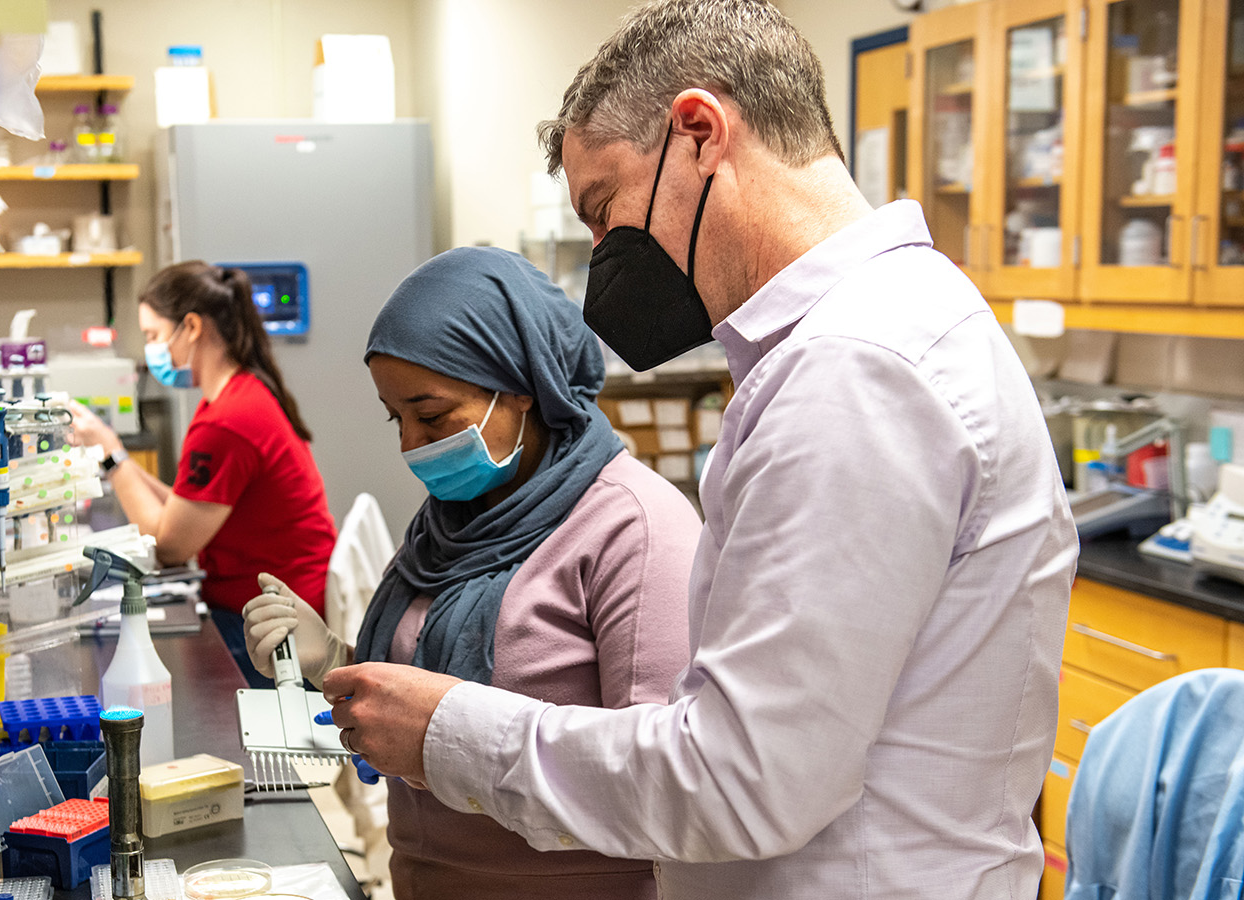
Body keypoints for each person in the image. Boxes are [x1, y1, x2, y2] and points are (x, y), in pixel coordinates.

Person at [321, 2, 1079, 898]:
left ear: (700, 132)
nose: (605, 257)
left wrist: (451, 731)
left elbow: (740, 779)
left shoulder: (855, 372)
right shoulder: (874, 331)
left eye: (605, 211)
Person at [241, 247, 701, 899]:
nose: (409, 445)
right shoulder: (453, 517)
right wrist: (333, 660)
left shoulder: (633, 525)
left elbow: (662, 780)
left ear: (523, 384)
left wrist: (449, 741)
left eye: (430, 416)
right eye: (395, 418)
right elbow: (428, 692)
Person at [71, 261, 336, 688]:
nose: (152, 351)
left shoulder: (228, 420)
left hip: (275, 625)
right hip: (279, 601)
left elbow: (169, 545)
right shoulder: (235, 395)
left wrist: (110, 454)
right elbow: (184, 505)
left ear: (191, 327)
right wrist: (116, 457)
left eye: (155, 336)